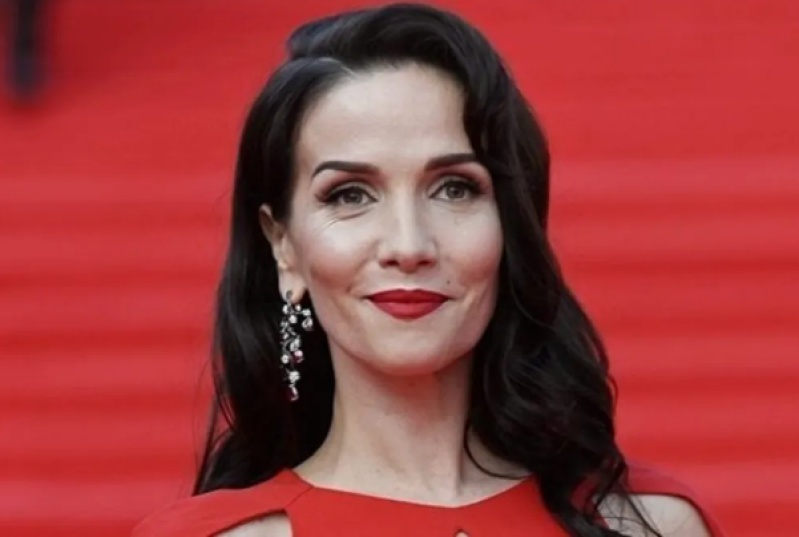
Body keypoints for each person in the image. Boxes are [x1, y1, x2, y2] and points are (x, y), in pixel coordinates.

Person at [133, 4, 725, 536]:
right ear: (283, 246)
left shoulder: (651, 525)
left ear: (510, 225)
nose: (409, 244)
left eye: (455, 188)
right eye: (349, 194)